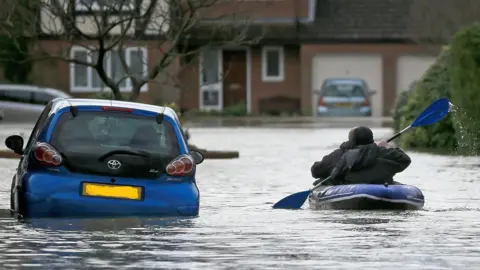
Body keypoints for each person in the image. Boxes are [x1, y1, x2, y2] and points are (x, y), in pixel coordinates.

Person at [311, 126, 411, 186]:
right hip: (381, 184)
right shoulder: (384, 152)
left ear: (352, 141)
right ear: (371, 139)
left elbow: (330, 174)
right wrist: (388, 147)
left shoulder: (343, 154)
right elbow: (405, 160)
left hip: (352, 188)